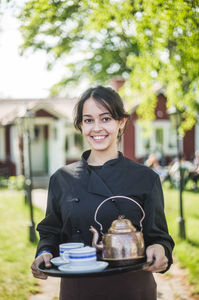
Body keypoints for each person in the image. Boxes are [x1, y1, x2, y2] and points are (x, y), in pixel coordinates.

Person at [31, 86, 174, 300]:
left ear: (121, 122)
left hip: (133, 290)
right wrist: (44, 253)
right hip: (79, 291)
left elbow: (159, 237)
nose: (97, 128)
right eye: (88, 120)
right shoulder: (61, 179)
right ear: (80, 126)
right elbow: (50, 233)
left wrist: (160, 249)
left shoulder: (145, 178)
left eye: (105, 119)